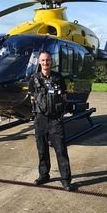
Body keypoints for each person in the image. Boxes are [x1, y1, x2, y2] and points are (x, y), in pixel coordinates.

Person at [28, 51, 72, 191]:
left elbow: (64, 98)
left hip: (55, 120)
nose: (45, 63)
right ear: (39, 62)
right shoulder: (34, 79)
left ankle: (65, 180)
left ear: (51, 62)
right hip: (40, 119)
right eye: (42, 60)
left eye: (47, 60)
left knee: (61, 150)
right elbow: (32, 98)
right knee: (42, 149)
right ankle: (44, 175)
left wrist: (60, 112)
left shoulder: (58, 78)